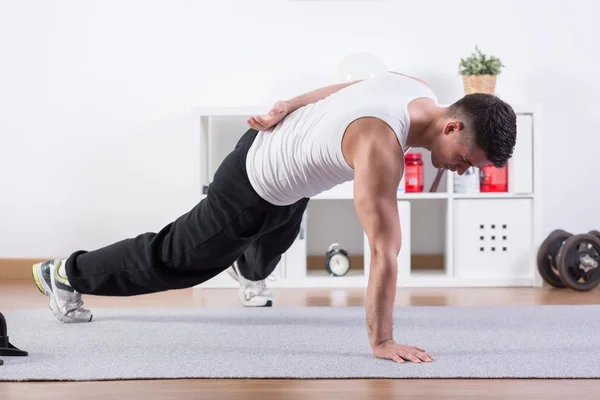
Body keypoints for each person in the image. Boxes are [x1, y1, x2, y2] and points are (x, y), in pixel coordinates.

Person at [31, 71, 516, 364]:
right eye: (468, 159)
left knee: (275, 239)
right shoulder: (379, 145)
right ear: (453, 125)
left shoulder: (414, 87)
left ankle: (250, 267)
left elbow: (348, 87)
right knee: (180, 261)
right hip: (253, 182)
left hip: (288, 175)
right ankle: (64, 272)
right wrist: (383, 340)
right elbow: (383, 252)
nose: (463, 171)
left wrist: (291, 104)